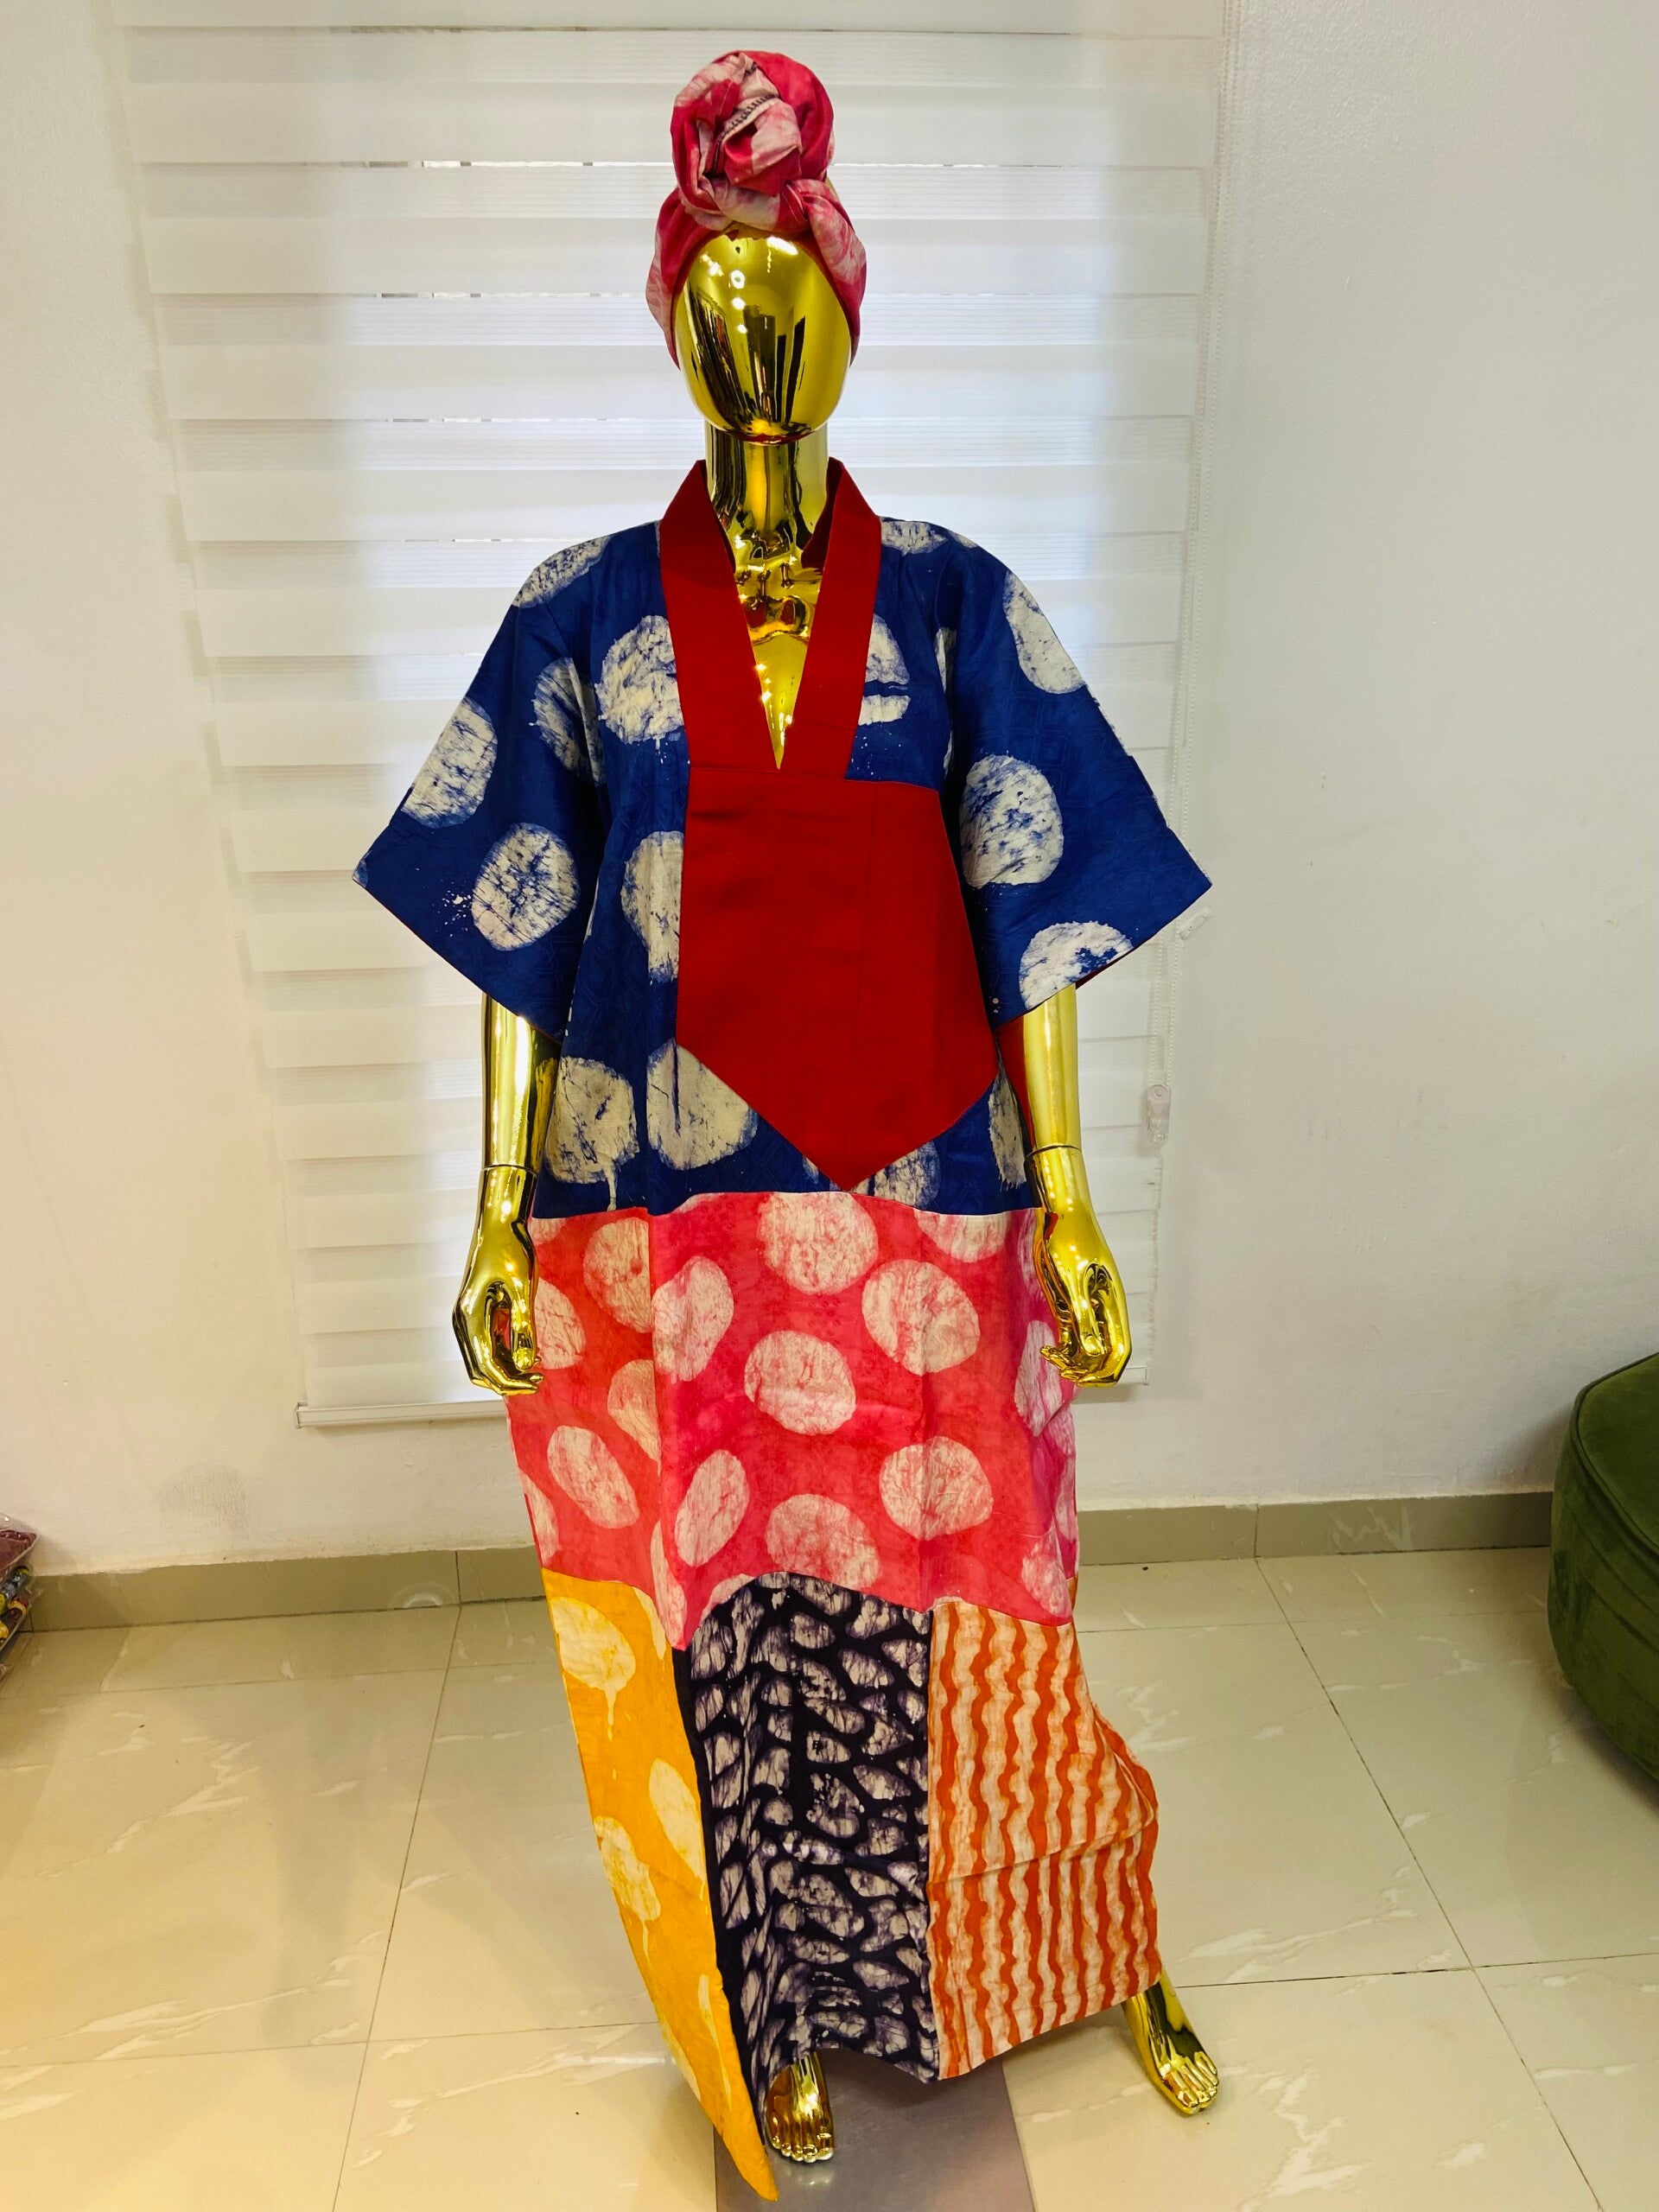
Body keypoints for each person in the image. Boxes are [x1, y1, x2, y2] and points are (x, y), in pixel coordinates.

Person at [357, 49, 1217, 2197]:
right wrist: (489, 1211)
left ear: (850, 316)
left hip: (935, 1193)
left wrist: (1075, 1200)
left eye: (793, 306)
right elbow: (512, 923)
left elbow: (1036, 900)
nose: (756, 354)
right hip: (654, 1206)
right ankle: (768, 1999)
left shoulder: (953, 596)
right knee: (706, 1606)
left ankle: (1023, 1941)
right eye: (714, 311)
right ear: (669, 329)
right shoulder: (578, 611)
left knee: (985, 1589)